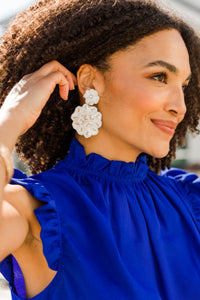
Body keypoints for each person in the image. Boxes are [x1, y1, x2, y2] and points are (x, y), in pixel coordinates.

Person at [0, 0, 200, 299]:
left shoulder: (189, 200)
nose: (179, 107)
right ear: (90, 81)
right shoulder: (36, 213)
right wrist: (9, 124)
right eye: (159, 77)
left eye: (183, 85)